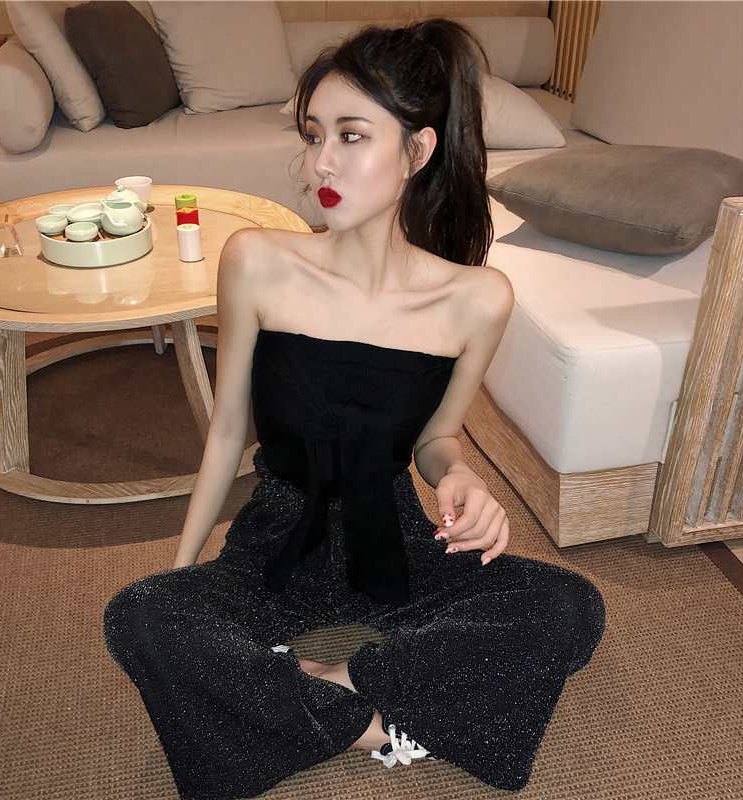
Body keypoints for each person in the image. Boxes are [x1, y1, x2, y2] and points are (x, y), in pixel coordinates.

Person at [103, 17, 606, 799]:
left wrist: (463, 479)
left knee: (570, 608)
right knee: (140, 618)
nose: (321, 163)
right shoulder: (258, 262)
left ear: (418, 150)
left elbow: (439, 439)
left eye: (351, 135)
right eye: (313, 135)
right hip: (275, 538)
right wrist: (182, 573)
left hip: (398, 538)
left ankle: (327, 681)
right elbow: (228, 430)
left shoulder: (476, 298)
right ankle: (376, 725)